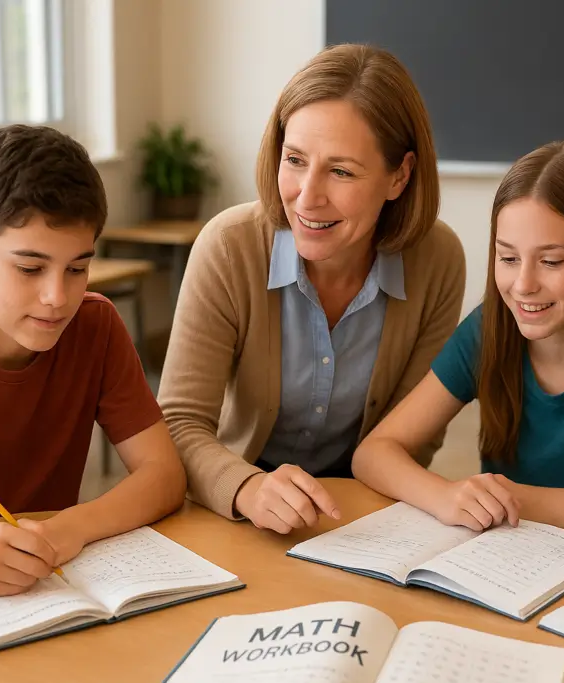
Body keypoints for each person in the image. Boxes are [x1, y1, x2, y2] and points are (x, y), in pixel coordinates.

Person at [157, 44, 466, 535]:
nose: (307, 195)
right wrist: (246, 488)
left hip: (364, 521)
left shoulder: (438, 260)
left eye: (341, 171)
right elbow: (177, 425)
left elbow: (413, 436)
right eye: (295, 159)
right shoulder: (228, 247)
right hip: (239, 515)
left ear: (400, 176)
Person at [0, 125, 187, 596]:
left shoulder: (96, 328)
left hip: (44, 591)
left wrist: (71, 528)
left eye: (78, 268)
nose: (56, 297)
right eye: (29, 268)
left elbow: (164, 474)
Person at [351, 140, 564, 537]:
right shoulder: (489, 328)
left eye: (551, 261)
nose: (524, 285)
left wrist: (502, 496)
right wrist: (445, 496)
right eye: (508, 259)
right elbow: (372, 454)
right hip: (511, 567)